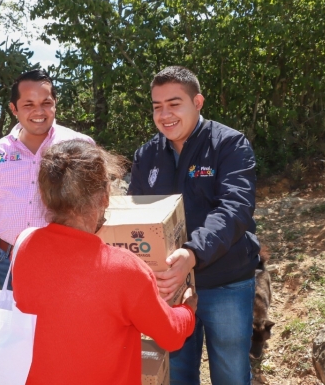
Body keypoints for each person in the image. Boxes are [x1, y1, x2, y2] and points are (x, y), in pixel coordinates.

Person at [12, 140, 197, 384]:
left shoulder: (25, 247)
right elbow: (170, 335)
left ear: (46, 198)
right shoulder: (124, 269)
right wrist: (187, 308)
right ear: (105, 196)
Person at [128, 66, 261, 385]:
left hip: (226, 281)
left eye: (174, 103)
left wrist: (192, 252)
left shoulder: (229, 144)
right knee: (177, 374)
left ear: (197, 102)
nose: (165, 114)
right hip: (169, 287)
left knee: (231, 373)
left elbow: (236, 207)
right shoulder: (147, 155)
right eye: (157, 106)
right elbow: (135, 216)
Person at [0, 69, 94, 291]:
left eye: (46, 103)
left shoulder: (79, 145)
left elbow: (97, 206)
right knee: (17, 325)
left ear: (55, 104)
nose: (39, 111)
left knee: (63, 325)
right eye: (28, 104)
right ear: (14, 109)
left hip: (67, 260)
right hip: (10, 261)